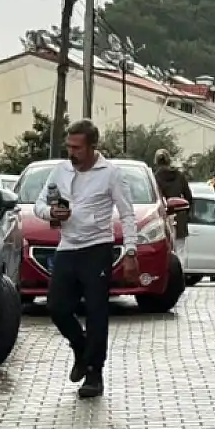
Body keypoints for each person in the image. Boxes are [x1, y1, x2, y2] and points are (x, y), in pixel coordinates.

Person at [34, 120, 138, 399]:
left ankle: (94, 372)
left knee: (96, 311)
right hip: (67, 246)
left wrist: (130, 251)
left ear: (93, 147)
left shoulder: (111, 173)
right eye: (69, 147)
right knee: (57, 307)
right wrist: (51, 214)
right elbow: (39, 204)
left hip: (97, 247)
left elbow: (127, 214)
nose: (72, 153)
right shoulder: (61, 170)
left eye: (77, 148)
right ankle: (80, 347)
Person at [152, 149, 192, 251]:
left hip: (161, 221)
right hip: (179, 219)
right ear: (169, 160)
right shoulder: (180, 176)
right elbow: (189, 198)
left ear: (156, 162)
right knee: (179, 251)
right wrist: (185, 213)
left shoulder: (154, 178)